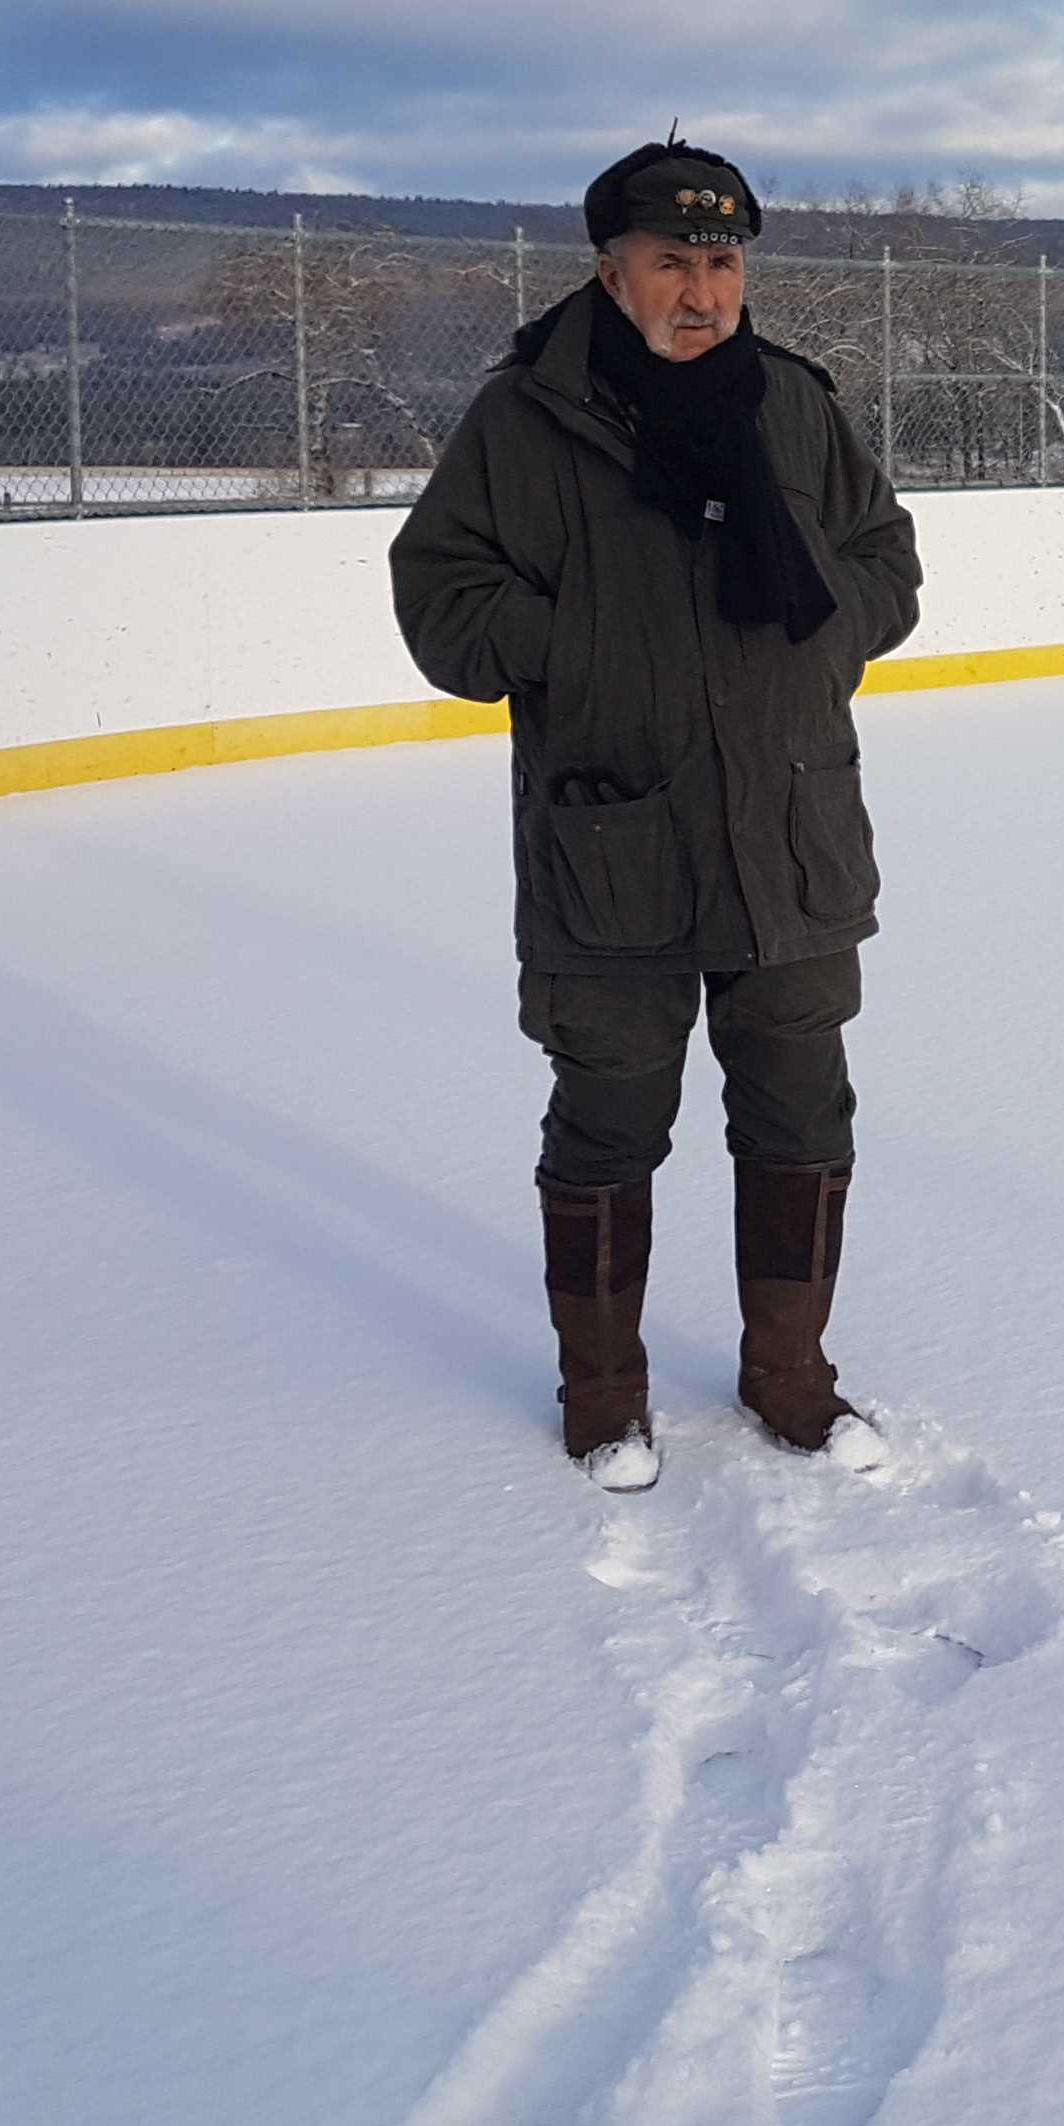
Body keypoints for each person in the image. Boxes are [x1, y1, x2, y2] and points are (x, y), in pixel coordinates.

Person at [390, 140, 923, 1491]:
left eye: (723, 259)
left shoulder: (794, 408)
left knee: (802, 1115)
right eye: (672, 261)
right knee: (609, 1123)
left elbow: (884, 560)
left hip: (789, 841)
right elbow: (442, 600)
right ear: (608, 270)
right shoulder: (526, 422)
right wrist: (589, 649)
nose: (702, 289)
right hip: (612, 847)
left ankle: (792, 1380)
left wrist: (826, 635)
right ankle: (603, 1391)